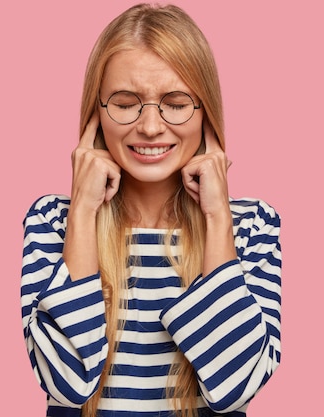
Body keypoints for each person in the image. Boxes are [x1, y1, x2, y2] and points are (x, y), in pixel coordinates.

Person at [20, 4, 281, 417]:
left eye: (176, 103)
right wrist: (83, 212)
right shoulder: (54, 221)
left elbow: (234, 388)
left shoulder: (250, 225)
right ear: (96, 114)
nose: (151, 126)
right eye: (126, 103)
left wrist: (217, 219)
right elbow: (67, 385)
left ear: (205, 113)